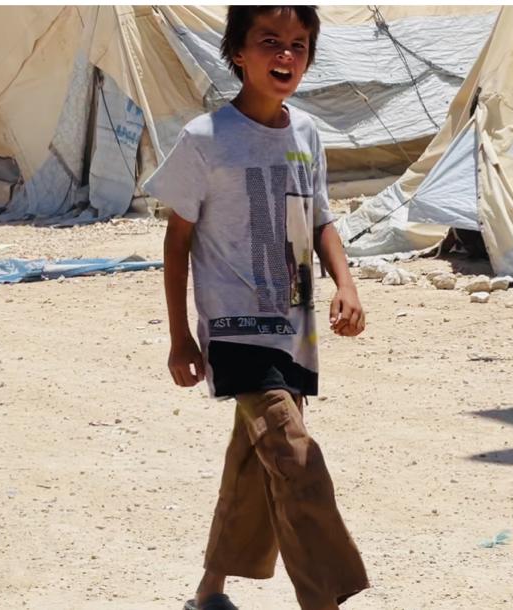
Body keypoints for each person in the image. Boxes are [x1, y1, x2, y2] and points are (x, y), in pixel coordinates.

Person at [144, 6, 369, 610]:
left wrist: (346, 284)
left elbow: (320, 219)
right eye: (270, 41)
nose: (286, 55)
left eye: (299, 44)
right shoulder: (205, 139)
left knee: (254, 461)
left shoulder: (308, 134)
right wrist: (179, 337)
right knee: (295, 458)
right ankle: (325, 599)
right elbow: (177, 240)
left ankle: (209, 592)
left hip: (293, 331)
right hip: (235, 331)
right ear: (238, 53)